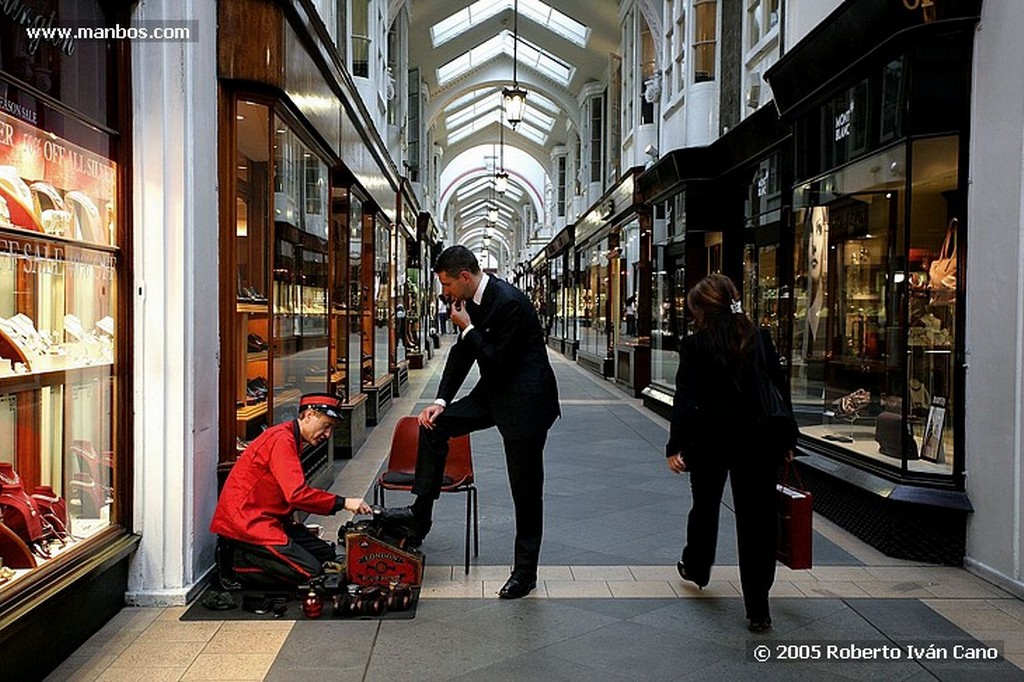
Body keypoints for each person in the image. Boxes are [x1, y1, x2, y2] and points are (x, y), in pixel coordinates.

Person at [381, 245, 560, 599]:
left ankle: (525, 573)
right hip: (494, 393)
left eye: (447, 285)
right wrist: (440, 401)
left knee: (525, 491)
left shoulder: (508, 301)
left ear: (465, 277)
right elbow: (462, 354)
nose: (444, 293)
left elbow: (498, 361)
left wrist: (466, 329)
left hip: (525, 401)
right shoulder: (466, 302)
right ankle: (420, 515)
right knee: (433, 425)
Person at [665, 274, 793, 632]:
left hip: (709, 445)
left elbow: (685, 400)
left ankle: (697, 566)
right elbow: (778, 392)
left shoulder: (695, 346)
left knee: (705, 507)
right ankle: (758, 607)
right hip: (759, 445)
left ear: (702, 311)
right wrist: (787, 441)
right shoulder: (759, 339)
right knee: (758, 523)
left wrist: (676, 446)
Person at [211, 393, 372, 589]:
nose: (328, 434)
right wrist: (344, 502)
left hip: (270, 518)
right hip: (248, 523)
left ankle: (250, 556)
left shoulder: (290, 437)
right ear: (309, 415)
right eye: (326, 425)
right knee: (311, 572)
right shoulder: (282, 440)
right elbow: (296, 494)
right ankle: (235, 564)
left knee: (326, 555)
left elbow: (284, 490)